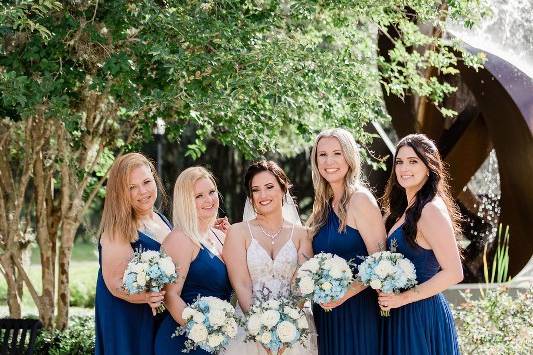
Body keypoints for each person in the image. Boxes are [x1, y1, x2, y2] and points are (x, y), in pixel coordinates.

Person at [379, 133, 462, 354]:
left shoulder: (430, 210)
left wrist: (403, 298)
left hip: (421, 315)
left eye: (413, 161)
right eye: (399, 162)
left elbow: (454, 272)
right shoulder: (401, 211)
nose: (404, 168)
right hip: (399, 313)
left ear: (428, 167)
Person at [223, 160, 317, 355]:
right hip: (249, 328)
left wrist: (285, 331)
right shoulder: (238, 232)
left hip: (293, 329)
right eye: (256, 190)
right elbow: (241, 285)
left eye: (269, 187)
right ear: (250, 196)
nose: (263, 195)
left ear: (283, 189)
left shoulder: (303, 235)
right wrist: (262, 331)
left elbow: (300, 286)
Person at [307, 128, 386, 355]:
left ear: (349, 158)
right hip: (327, 314)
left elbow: (381, 264)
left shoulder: (360, 200)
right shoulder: (322, 206)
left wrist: (345, 294)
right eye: (322, 155)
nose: (329, 161)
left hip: (358, 312)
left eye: (337, 153)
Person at [95, 153, 172, 355]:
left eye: (147, 182)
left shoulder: (160, 219)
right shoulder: (116, 230)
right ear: (120, 193)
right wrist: (148, 296)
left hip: (156, 316)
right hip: (127, 321)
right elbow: (116, 284)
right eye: (132, 187)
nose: (143, 191)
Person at [154, 167, 232, 355]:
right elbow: (170, 296)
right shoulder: (180, 238)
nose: (209, 200)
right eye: (199, 196)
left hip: (215, 339)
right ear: (186, 201)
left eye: (212, 192)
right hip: (184, 340)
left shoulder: (220, 236)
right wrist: (201, 328)